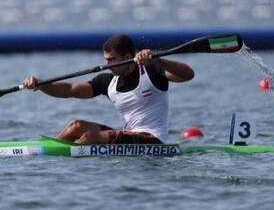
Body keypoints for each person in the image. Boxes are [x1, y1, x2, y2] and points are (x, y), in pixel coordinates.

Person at [22, 34, 195, 144]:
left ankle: (66, 153)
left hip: (152, 139)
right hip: (130, 136)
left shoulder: (152, 72)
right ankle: (45, 150)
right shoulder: (108, 81)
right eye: (106, 59)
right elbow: (70, 89)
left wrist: (158, 60)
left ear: (128, 57)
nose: (107, 64)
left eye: (112, 60)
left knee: (91, 138)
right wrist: (42, 85)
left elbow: (188, 75)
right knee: (75, 125)